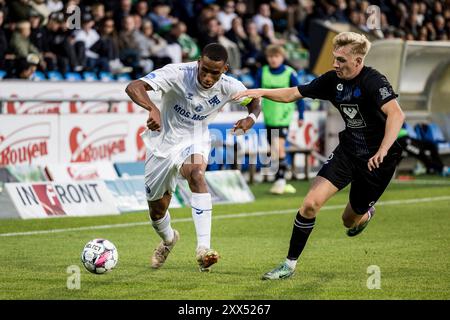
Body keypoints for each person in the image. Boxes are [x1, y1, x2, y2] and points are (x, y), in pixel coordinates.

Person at [233, 32, 405, 280]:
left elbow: (396, 114)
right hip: (348, 152)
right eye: (334, 58)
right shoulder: (331, 80)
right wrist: (258, 91)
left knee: (349, 220)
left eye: (341, 60)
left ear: (358, 61)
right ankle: (288, 265)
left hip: (377, 160)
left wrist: (383, 149)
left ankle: (365, 214)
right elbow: (293, 93)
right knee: (310, 204)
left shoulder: (373, 81)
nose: (335, 64)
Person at [125, 43, 261, 272]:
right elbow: (134, 86)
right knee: (157, 212)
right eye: (204, 70)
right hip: (162, 144)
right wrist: (151, 108)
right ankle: (169, 239)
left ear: (225, 69)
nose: (207, 77)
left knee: (197, 175)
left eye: (214, 73)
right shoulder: (176, 73)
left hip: (195, 140)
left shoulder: (230, 86)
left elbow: (255, 101)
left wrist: (251, 119)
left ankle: (203, 250)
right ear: (198, 62)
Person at [256, 44, 305, 195]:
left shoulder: (290, 74)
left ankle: (281, 180)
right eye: (270, 57)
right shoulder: (262, 72)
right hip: (269, 117)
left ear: (282, 57)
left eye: (276, 56)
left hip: (283, 117)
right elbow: (256, 93)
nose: (273, 60)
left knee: (278, 147)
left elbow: (299, 94)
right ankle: (280, 177)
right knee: (274, 149)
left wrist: (301, 115)